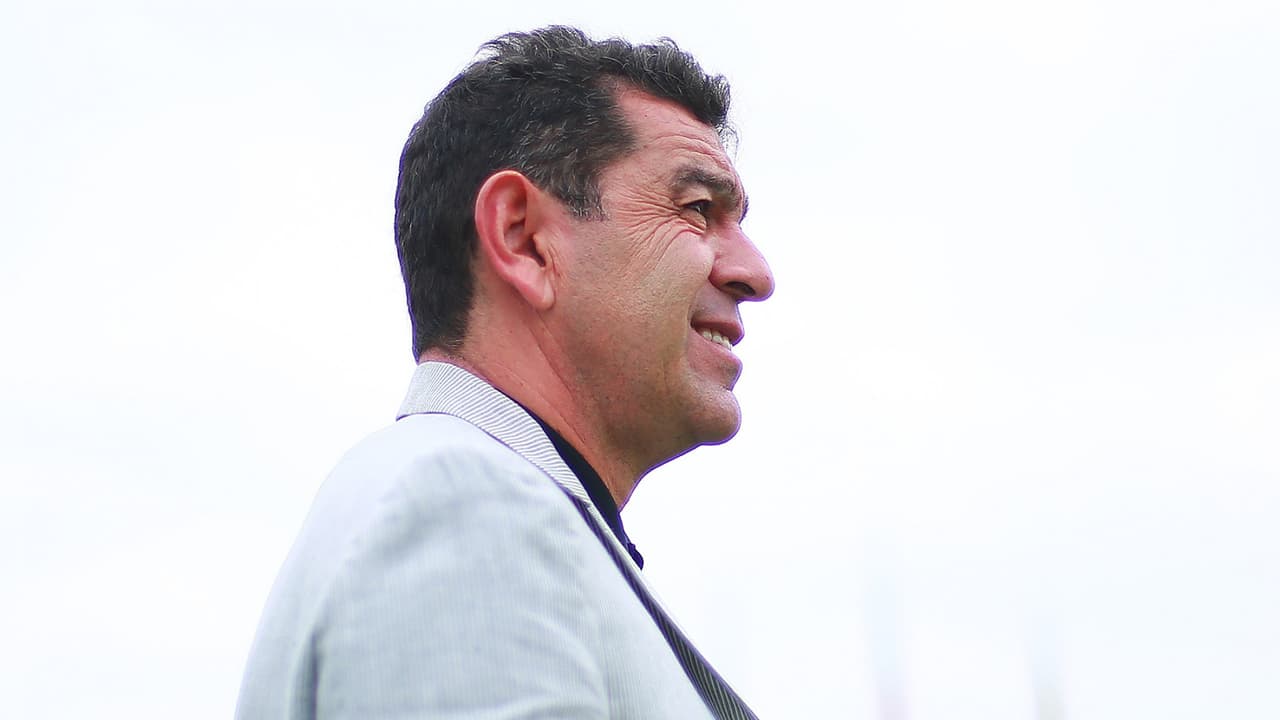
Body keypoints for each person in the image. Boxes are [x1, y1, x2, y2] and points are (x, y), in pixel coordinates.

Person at [236, 25, 774, 720]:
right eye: (698, 209)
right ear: (523, 239)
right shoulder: (459, 505)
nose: (756, 273)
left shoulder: (467, 506)